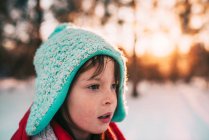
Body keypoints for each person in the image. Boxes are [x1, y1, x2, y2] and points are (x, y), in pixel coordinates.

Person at [12, 23, 127, 140]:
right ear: (57, 95)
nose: (111, 99)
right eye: (94, 86)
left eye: (114, 86)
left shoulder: (112, 136)